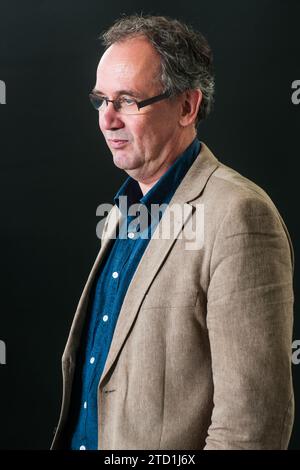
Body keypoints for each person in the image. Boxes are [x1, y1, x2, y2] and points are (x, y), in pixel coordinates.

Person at [51, 14, 294, 450]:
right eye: (100, 100)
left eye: (126, 101)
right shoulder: (124, 210)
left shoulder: (240, 216)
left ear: (187, 106)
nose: (107, 120)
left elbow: (251, 427)